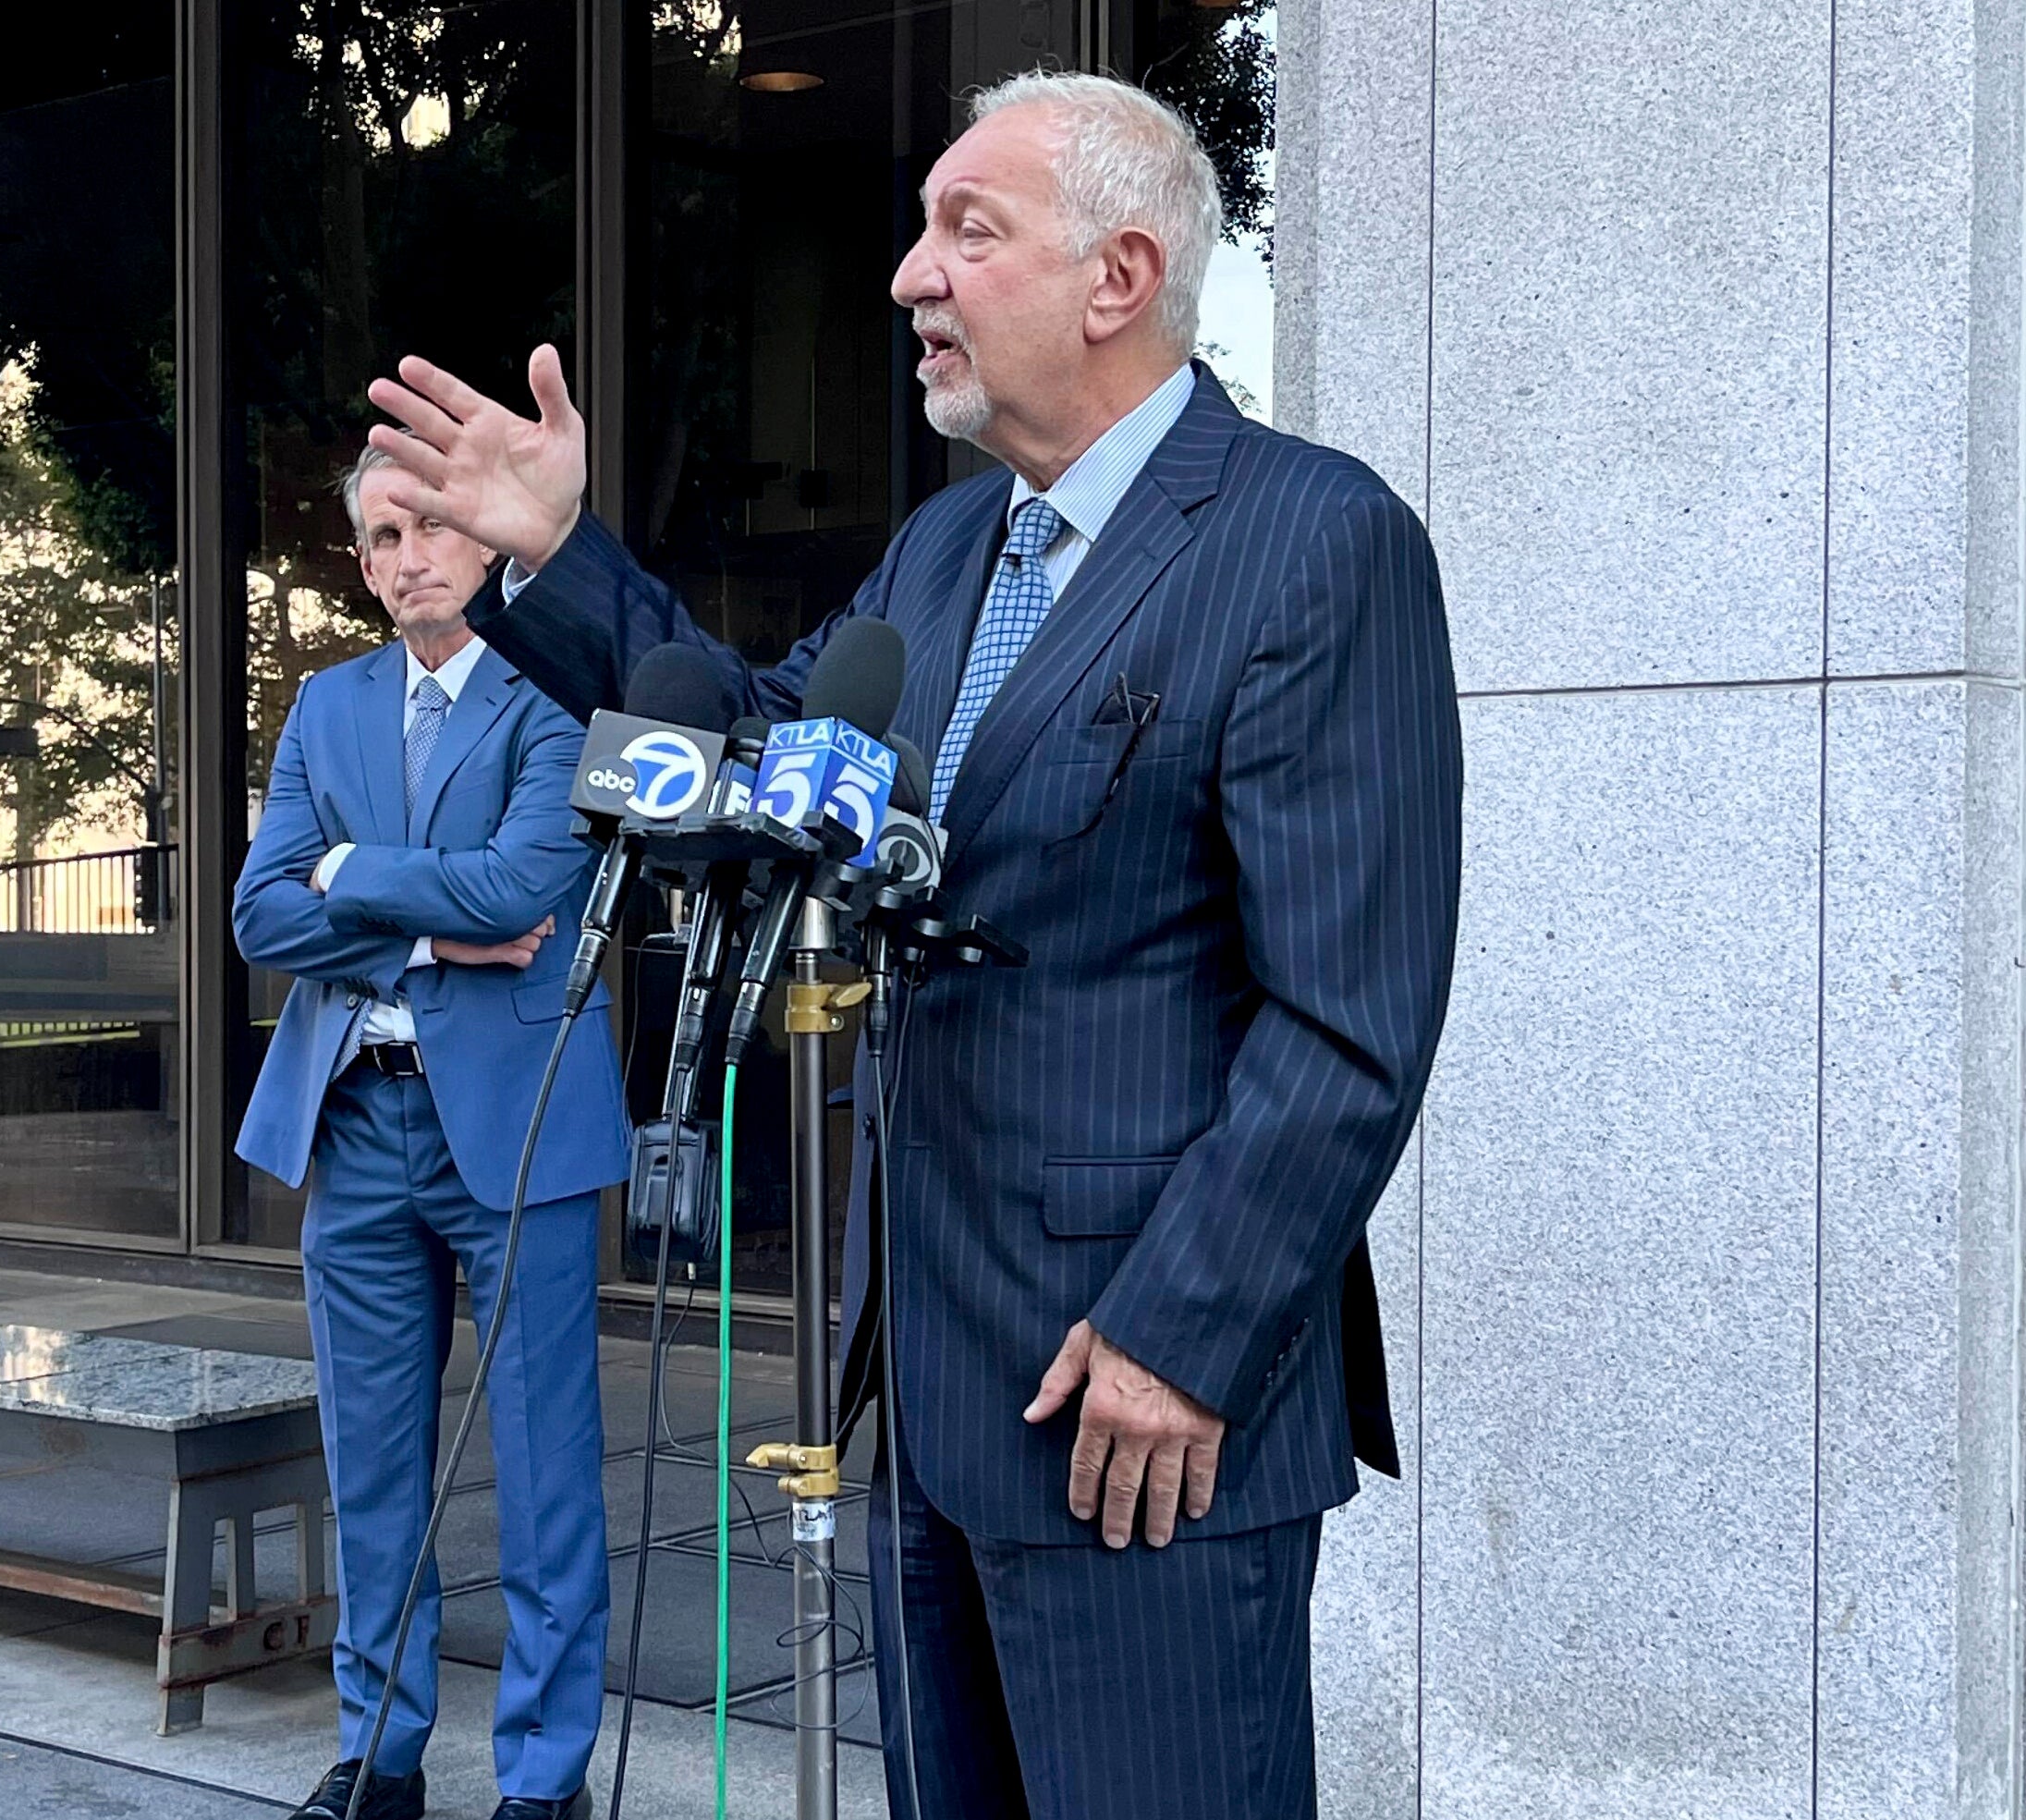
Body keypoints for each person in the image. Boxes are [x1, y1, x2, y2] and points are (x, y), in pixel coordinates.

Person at [359, 69, 1462, 1820]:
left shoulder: (1313, 546)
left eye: (969, 229)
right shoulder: (946, 549)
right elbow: (754, 758)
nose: (906, 276)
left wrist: (1181, 1338)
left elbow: (1351, 1019)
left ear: (1116, 276)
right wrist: (555, 551)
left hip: (1139, 1407)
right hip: (932, 1392)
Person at [233, 447, 629, 1820]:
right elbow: (259, 910)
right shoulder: (325, 704)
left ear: (482, 535)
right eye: (383, 536)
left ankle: (544, 1778)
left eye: (433, 527)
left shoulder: (552, 690)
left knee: (544, 1472)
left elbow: (532, 880)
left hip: (516, 1129)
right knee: (374, 1464)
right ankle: (379, 1754)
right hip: (356, 1119)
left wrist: (351, 877)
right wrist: (435, 929)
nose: (409, 558)